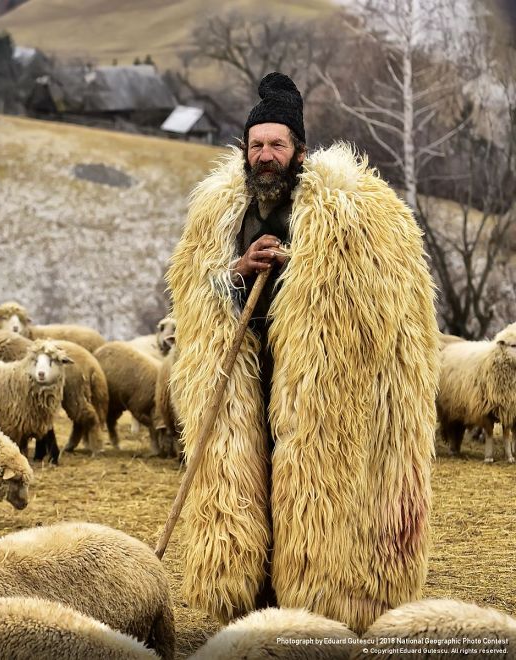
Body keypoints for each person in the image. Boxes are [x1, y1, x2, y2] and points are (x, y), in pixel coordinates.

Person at [166, 72, 439, 633]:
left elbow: (382, 294)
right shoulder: (220, 215)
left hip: (322, 382)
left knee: (317, 491)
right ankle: (253, 604)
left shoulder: (354, 209)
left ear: (299, 151)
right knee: (247, 488)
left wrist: (306, 271)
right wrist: (239, 271)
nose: (266, 156)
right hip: (246, 377)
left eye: (277, 145)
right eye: (257, 145)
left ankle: (326, 600)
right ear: (245, 151)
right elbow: (193, 288)